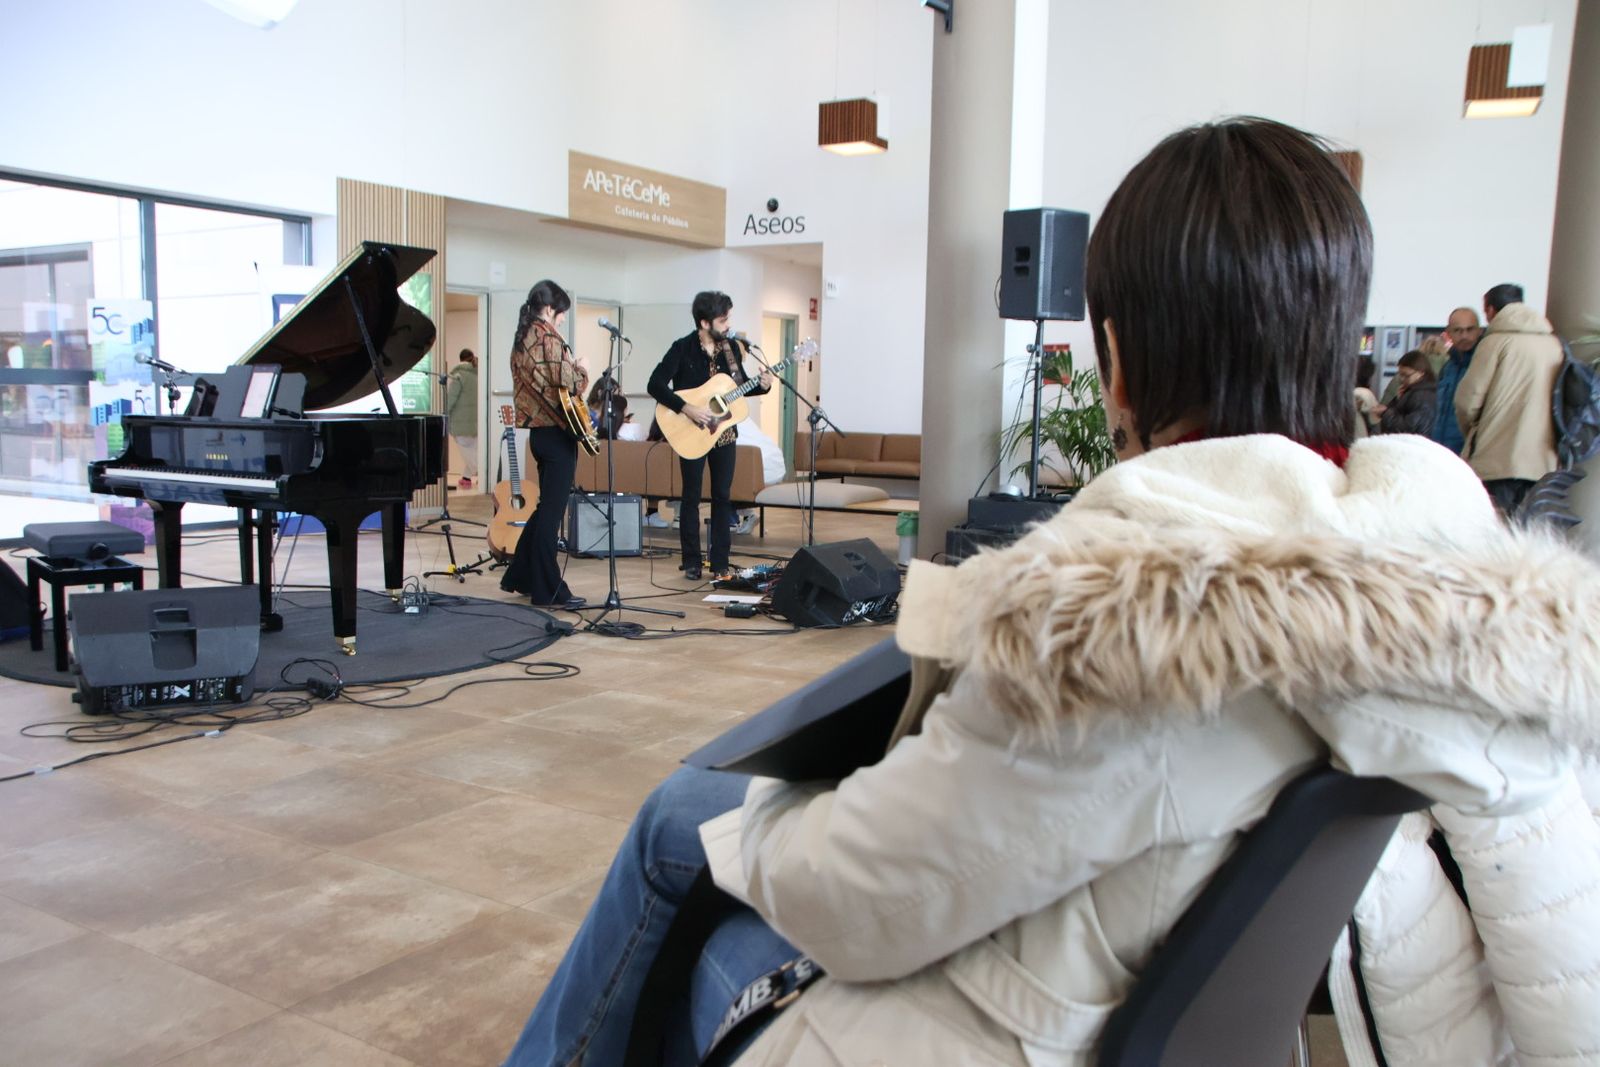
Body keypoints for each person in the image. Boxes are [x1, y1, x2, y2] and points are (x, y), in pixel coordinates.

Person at [504, 118, 1600, 1067]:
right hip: (1127, 964)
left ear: (1117, 359)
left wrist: (785, 805)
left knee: (680, 826)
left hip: (1009, 1023)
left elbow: (857, 905)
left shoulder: (1116, 631)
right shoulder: (1461, 607)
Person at [646, 292, 771, 581]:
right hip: (691, 432)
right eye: (723, 319)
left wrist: (762, 385)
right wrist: (686, 407)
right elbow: (654, 384)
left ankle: (720, 562)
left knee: (722, 497)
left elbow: (738, 388)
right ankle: (691, 561)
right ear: (704, 323)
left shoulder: (733, 349)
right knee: (690, 497)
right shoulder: (682, 348)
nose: (728, 324)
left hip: (724, 434)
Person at [499, 280, 587, 610]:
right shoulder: (547, 336)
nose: (563, 320)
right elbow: (569, 381)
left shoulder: (522, 337)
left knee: (543, 509)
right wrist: (583, 369)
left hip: (539, 434)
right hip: (555, 432)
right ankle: (548, 589)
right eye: (562, 314)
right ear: (550, 309)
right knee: (552, 514)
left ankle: (520, 576)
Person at [1455, 282, 1565, 514]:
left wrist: (1474, 433)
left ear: (1491, 310)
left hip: (1497, 457)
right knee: (1528, 529)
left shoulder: (1495, 343)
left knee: (1494, 526)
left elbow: (1468, 400)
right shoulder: (1554, 344)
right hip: (1541, 459)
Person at [1432, 306, 1482, 453]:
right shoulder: (1448, 367)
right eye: (1458, 330)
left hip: (1469, 451)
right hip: (1441, 449)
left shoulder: (1483, 364)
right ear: (1448, 333)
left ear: (1479, 331)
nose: (1464, 336)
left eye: (1470, 329)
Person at [1374, 349, 1437, 435]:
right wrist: (1397, 399)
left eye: (1406, 375)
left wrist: (1385, 413)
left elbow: (1409, 427)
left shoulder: (1422, 395)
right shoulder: (1413, 390)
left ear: (1421, 373)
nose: (1402, 379)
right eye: (1400, 375)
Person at [445, 348, 479, 489]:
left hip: (460, 422)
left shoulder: (459, 376)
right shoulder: (478, 376)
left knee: (467, 452)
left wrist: (444, 412)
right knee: (472, 450)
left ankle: (481, 473)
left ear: (460, 359)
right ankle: (466, 477)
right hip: (475, 421)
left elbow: (451, 398)